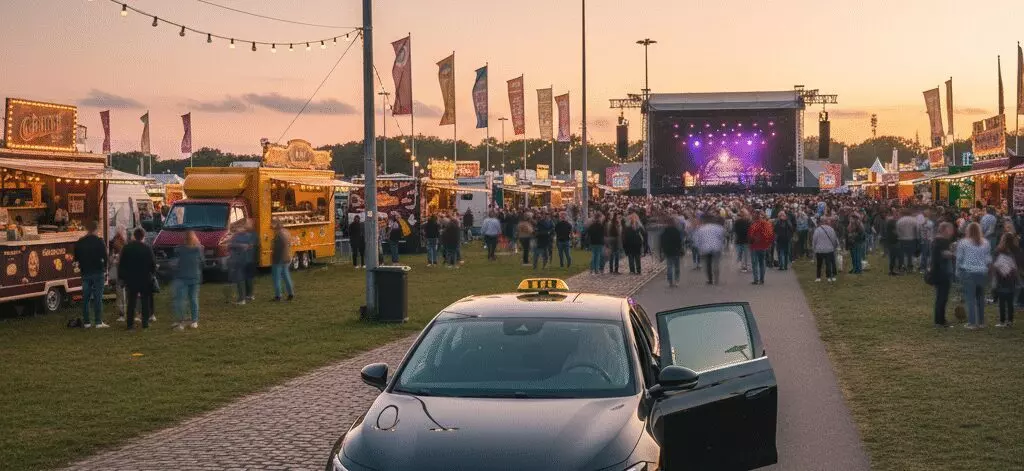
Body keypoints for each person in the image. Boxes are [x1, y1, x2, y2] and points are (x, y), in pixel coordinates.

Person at [119, 228, 156, 330]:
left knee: (131, 302)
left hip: (131, 278)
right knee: (145, 301)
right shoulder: (147, 248)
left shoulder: (127, 248)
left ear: (134, 236)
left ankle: (130, 324)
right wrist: (152, 274)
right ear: (143, 236)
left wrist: (122, 278)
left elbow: (122, 264)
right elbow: (152, 264)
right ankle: (145, 323)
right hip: (145, 278)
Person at [74, 221, 108, 329]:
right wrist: (105, 268)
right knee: (98, 298)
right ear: (96, 229)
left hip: (85, 272)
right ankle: (98, 322)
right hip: (98, 272)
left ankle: (87, 322)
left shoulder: (80, 242)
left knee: (86, 298)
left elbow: (76, 258)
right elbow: (105, 256)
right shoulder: (99, 241)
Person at [957, 222, 991, 329]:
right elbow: (988, 259)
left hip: (968, 272)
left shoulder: (963, 243)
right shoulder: (985, 242)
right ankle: (981, 322)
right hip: (982, 272)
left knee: (970, 298)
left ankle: (972, 323)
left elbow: (959, 258)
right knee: (980, 298)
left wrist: (957, 271)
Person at [173, 230, 204, 330]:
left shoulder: (180, 249)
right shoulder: (198, 249)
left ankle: (182, 320)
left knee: (181, 300)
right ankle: (194, 321)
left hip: (183, 277)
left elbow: (176, 261)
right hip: (194, 277)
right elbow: (202, 261)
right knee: (193, 299)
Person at [930, 222, 955, 327]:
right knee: (942, 297)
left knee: (940, 297)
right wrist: (955, 254)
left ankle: (939, 320)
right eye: (950, 229)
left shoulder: (936, 240)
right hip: (942, 272)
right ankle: (940, 321)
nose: (952, 232)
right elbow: (946, 255)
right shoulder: (943, 241)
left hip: (936, 271)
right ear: (944, 230)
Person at [992, 233, 1019, 328]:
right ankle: (1010, 321)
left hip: (1001, 278)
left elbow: (994, 265)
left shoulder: (998, 251)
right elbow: (1016, 266)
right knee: (1010, 302)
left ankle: (1002, 321)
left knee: (1002, 302)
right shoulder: (1015, 250)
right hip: (1011, 278)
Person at [693, 213, 725, 285]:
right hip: (716, 247)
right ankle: (716, 279)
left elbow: (696, 240)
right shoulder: (718, 227)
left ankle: (710, 279)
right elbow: (722, 237)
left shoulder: (700, 229)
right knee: (715, 264)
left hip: (705, 248)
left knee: (707, 265)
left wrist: (699, 248)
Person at [748, 211, 774, 285]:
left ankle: (756, 279)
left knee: (755, 263)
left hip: (755, 246)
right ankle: (762, 279)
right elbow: (770, 234)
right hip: (763, 245)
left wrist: (751, 241)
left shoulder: (753, 224)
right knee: (762, 263)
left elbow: (750, 235)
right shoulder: (766, 224)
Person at [270, 221, 294, 301]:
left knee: (277, 278)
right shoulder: (287, 232)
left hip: (278, 259)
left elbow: (277, 248)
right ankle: (291, 293)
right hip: (286, 258)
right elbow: (289, 244)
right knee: (286, 276)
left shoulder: (278, 235)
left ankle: (278, 295)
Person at [108, 227, 127, 322]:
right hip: (122, 273)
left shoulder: (120, 246)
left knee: (121, 294)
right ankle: (124, 313)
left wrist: (114, 259)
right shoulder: (122, 245)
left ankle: (123, 314)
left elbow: (112, 261)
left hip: (121, 274)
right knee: (122, 294)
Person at [812, 217, 840, 282]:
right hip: (829, 249)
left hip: (819, 249)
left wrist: (814, 248)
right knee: (829, 263)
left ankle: (818, 277)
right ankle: (829, 277)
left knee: (819, 264)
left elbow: (814, 240)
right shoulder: (831, 229)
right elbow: (834, 239)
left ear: (820, 222)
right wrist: (835, 246)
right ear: (827, 222)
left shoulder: (817, 230)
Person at [660, 216, 683, 287]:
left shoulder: (664, 232)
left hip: (668, 251)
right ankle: (676, 281)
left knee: (669, 267)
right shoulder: (676, 231)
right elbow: (679, 241)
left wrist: (663, 250)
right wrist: (680, 249)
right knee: (677, 267)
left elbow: (662, 242)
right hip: (676, 251)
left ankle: (670, 281)